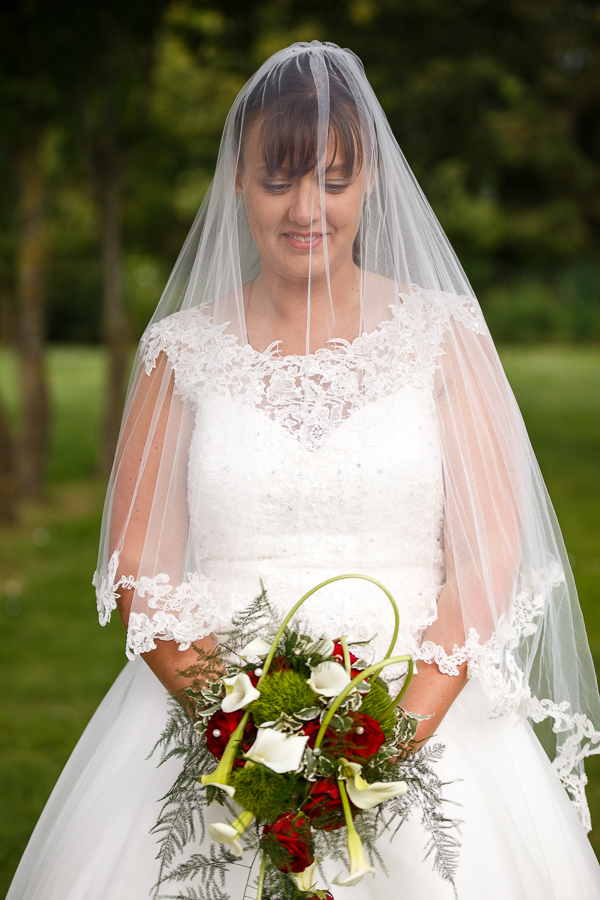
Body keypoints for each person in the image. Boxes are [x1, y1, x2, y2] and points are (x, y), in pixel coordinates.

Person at [7, 41, 600, 900]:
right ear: (238, 186)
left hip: (422, 719)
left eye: (332, 177)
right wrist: (245, 738)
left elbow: (486, 557)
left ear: (370, 185)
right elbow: (138, 565)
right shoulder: (180, 354)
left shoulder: (445, 339)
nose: (306, 207)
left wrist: (382, 748)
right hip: (214, 724)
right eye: (278, 178)